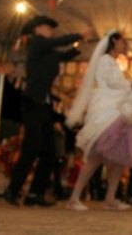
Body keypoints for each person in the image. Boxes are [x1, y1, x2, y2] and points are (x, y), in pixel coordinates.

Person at [64, 31, 132, 211]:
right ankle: (74, 197)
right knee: (96, 156)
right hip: (107, 112)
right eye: (123, 41)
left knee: (119, 158)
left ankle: (110, 197)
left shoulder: (112, 63)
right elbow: (115, 84)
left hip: (117, 111)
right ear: (114, 41)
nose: (125, 45)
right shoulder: (105, 61)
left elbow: (118, 84)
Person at [5, 16, 84, 207]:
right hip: (32, 102)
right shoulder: (37, 44)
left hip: (42, 104)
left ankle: (35, 193)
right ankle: (13, 189)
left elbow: (63, 55)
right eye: (49, 28)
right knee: (32, 147)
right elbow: (57, 43)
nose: (51, 31)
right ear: (38, 28)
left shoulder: (47, 52)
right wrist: (79, 34)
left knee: (49, 151)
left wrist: (78, 45)